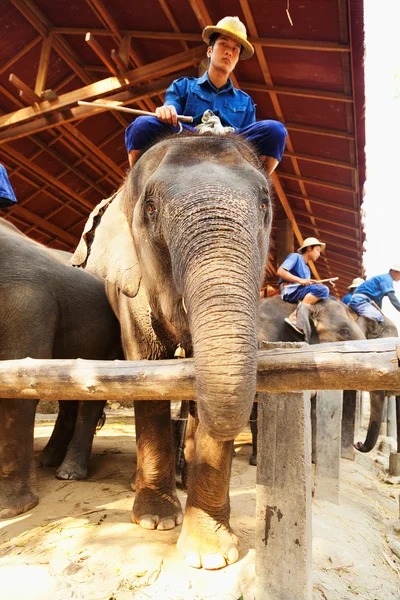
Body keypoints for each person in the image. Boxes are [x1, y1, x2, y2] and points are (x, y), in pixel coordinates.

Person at [124, 16, 287, 175]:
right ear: (210, 51)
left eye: (235, 49)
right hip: (187, 139)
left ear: (237, 59)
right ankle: (137, 184)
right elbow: (171, 105)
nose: (229, 52)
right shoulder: (184, 86)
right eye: (224, 44)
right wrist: (167, 110)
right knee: (141, 126)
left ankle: (255, 185)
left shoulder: (245, 102)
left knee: (276, 131)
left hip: (229, 147)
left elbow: (249, 144)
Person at [277, 237, 329, 335]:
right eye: (317, 250)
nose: (319, 254)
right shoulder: (295, 257)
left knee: (329, 297)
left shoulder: (307, 269)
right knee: (323, 290)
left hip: (299, 291)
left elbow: (304, 285)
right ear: (309, 248)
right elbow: (280, 271)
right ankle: (295, 317)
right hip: (290, 291)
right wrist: (300, 280)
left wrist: (309, 283)